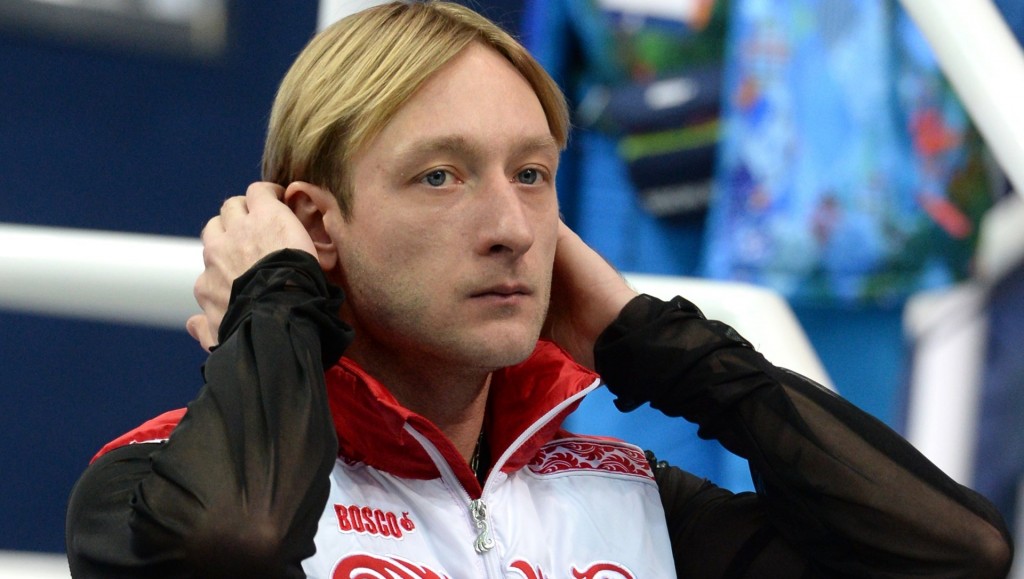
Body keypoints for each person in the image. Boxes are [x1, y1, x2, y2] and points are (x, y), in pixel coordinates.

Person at [65, 2, 1013, 577]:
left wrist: (656, 343)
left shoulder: (627, 504)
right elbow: (233, 547)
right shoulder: (150, 488)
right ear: (315, 224)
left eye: (531, 174)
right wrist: (276, 303)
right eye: (441, 175)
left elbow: (957, 554)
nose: (511, 226)